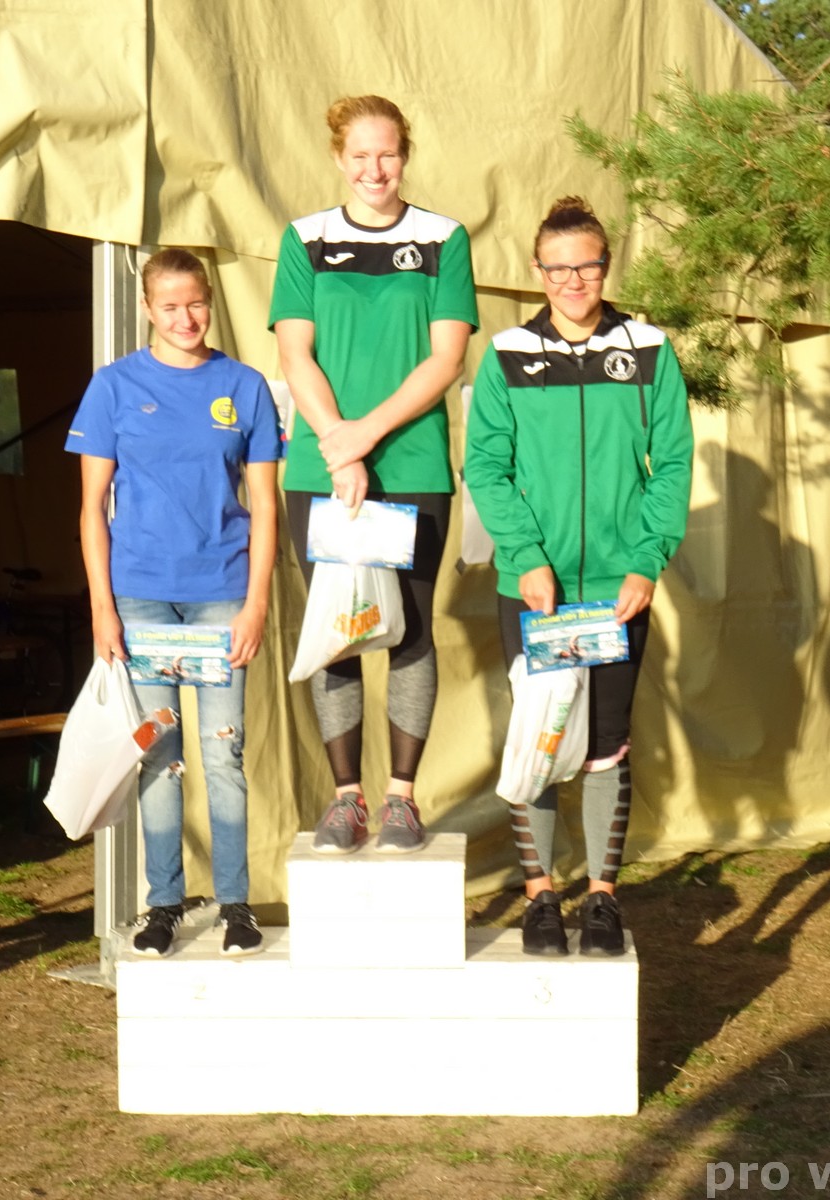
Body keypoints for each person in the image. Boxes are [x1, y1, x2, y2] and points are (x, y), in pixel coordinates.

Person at [465, 197, 694, 956]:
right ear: (538, 271)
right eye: (557, 268)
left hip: (616, 592)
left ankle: (601, 899)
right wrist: (527, 557)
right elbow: (487, 468)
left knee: (606, 743)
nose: (572, 281)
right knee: (541, 738)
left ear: (605, 266)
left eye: (586, 266)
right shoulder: (506, 354)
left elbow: (673, 464)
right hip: (537, 590)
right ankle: (540, 900)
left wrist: (646, 561)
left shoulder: (649, 350)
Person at [269, 95, 477, 854]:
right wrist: (339, 444)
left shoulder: (444, 238)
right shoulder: (305, 238)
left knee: (410, 629)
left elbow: (446, 358)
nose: (374, 169)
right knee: (340, 628)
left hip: (412, 464)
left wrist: (367, 435)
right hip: (322, 468)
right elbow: (295, 354)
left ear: (405, 155)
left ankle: (401, 800)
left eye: (386, 153)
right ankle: (346, 799)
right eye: (359, 155)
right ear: (337, 158)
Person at [67, 248, 282, 957]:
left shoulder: (244, 385)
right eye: (170, 306)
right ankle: (162, 905)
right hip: (142, 598)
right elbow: (91, 508)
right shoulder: (113, 387)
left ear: (210, 300)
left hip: (222, 594)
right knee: (158, 753)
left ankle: (236, 903)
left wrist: (256, 603)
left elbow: (265, 504)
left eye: (196, 303)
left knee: (223, 754)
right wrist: (102, 608)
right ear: (147, 309)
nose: (185, 318)